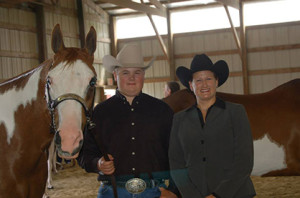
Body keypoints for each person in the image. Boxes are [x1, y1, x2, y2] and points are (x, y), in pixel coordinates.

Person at [79, 44, 179, 198]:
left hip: (153, 192)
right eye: (125, 72)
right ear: (115, 75)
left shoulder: (162, 111)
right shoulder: (100, 113)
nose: (132, 78)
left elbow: (177, 154)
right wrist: (98, 163)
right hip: (112, 192)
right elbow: (85, 154)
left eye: (137, 72)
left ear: (143, 75)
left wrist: (173, 190)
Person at [168, 54, 256, 198]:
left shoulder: (236, 112)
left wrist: (218, 195)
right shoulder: (179, 119)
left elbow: (244, 161)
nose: (204, 84)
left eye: (209, 79)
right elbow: (176, 163)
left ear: (216, 81)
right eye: (199, 80)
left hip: (235, 193)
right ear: (191, 85)